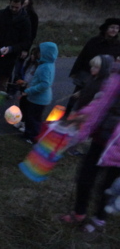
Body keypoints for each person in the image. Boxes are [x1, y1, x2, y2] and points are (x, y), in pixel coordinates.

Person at [59, 62, 120, 238]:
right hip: (101, 138)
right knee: (85, 176)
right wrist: (80, 117)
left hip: (118, 148)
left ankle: (99, 219)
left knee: (108, 186)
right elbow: (101, 103)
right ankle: (80, 212)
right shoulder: (115, 76)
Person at [0, 0, 32, 118]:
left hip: (9, 58)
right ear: (9, 3)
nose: (14, 9)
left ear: (21, 6)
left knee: (2, 87)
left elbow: (26, 41)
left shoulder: (25, 21)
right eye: (12, 7)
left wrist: (11, 49)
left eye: (17, 7)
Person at [65, 18, 120, 117]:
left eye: (117, 28)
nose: (114, 30)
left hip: (103, 76)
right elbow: (83, 56)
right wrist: (77, 72)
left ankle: (82, 118)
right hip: (87, 73)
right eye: (112, 27)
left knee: (92, 99)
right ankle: (67, 115)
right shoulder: (94, 41)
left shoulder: (117, 45)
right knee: (76, 97)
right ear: (106, 28)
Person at [21, 42, 58, 144]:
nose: (37, 54)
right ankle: (28, 133)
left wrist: (28, 91)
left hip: (39, 99)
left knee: (34, 119)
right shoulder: (47, 64)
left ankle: (34, 137)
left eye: (39, 52)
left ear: (46, 54)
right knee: (30, 116)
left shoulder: (45, 67)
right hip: (36, 98)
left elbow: (45, 84)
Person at [12, 47, 39, 132]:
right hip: (24, 87)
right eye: (31, 53)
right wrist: (21, 81)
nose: (32, 56)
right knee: (22, 105)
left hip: (30, 89)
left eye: (34, 54)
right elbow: (23, 72)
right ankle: (21, 120)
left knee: (28, 107)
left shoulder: (39, 67)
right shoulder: (28, 63)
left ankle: (25, 124)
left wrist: (28, 85)